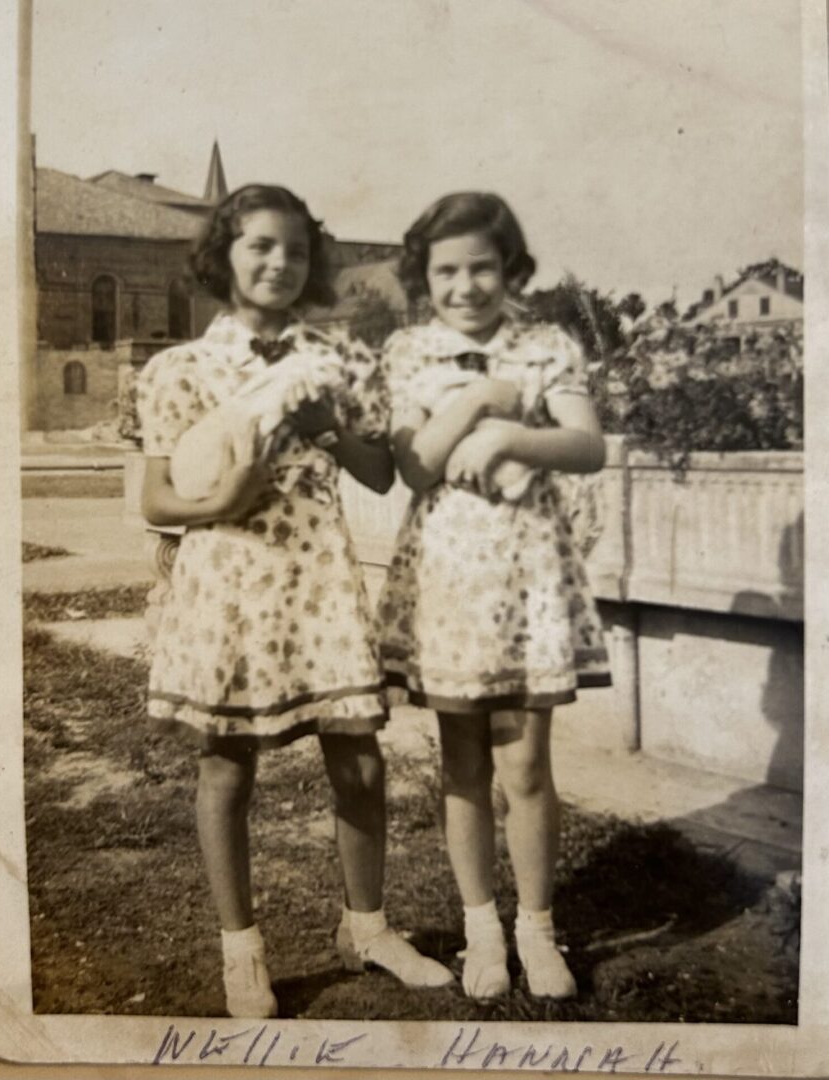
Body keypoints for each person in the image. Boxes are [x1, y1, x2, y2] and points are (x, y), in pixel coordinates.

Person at [136, 184, 453, 1019]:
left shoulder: (338, 362)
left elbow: (379, 474)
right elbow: (156, 499)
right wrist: (223, 499)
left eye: (297, 251)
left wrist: (324, 426)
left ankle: (367, 929)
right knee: (225, 766)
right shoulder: (178, 368)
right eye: (260, 247)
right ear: (225, 257)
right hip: (227, 585)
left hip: (318, 581)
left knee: (359, 760)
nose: (279, 264)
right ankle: (242, 951)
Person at [378, 192, 611, 1001]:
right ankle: (482, 927)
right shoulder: (410, 352)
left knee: (527, 762)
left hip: (525, 577)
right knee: (464, 763)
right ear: (424, 276)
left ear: (510, 268)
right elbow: (414, 466)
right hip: (448, 580)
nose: (466, 285)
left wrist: (517, 435)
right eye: (446, 270)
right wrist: (479, 402)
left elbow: (587, 445)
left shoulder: (545, 347)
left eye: (482, 267)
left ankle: (536, 928)